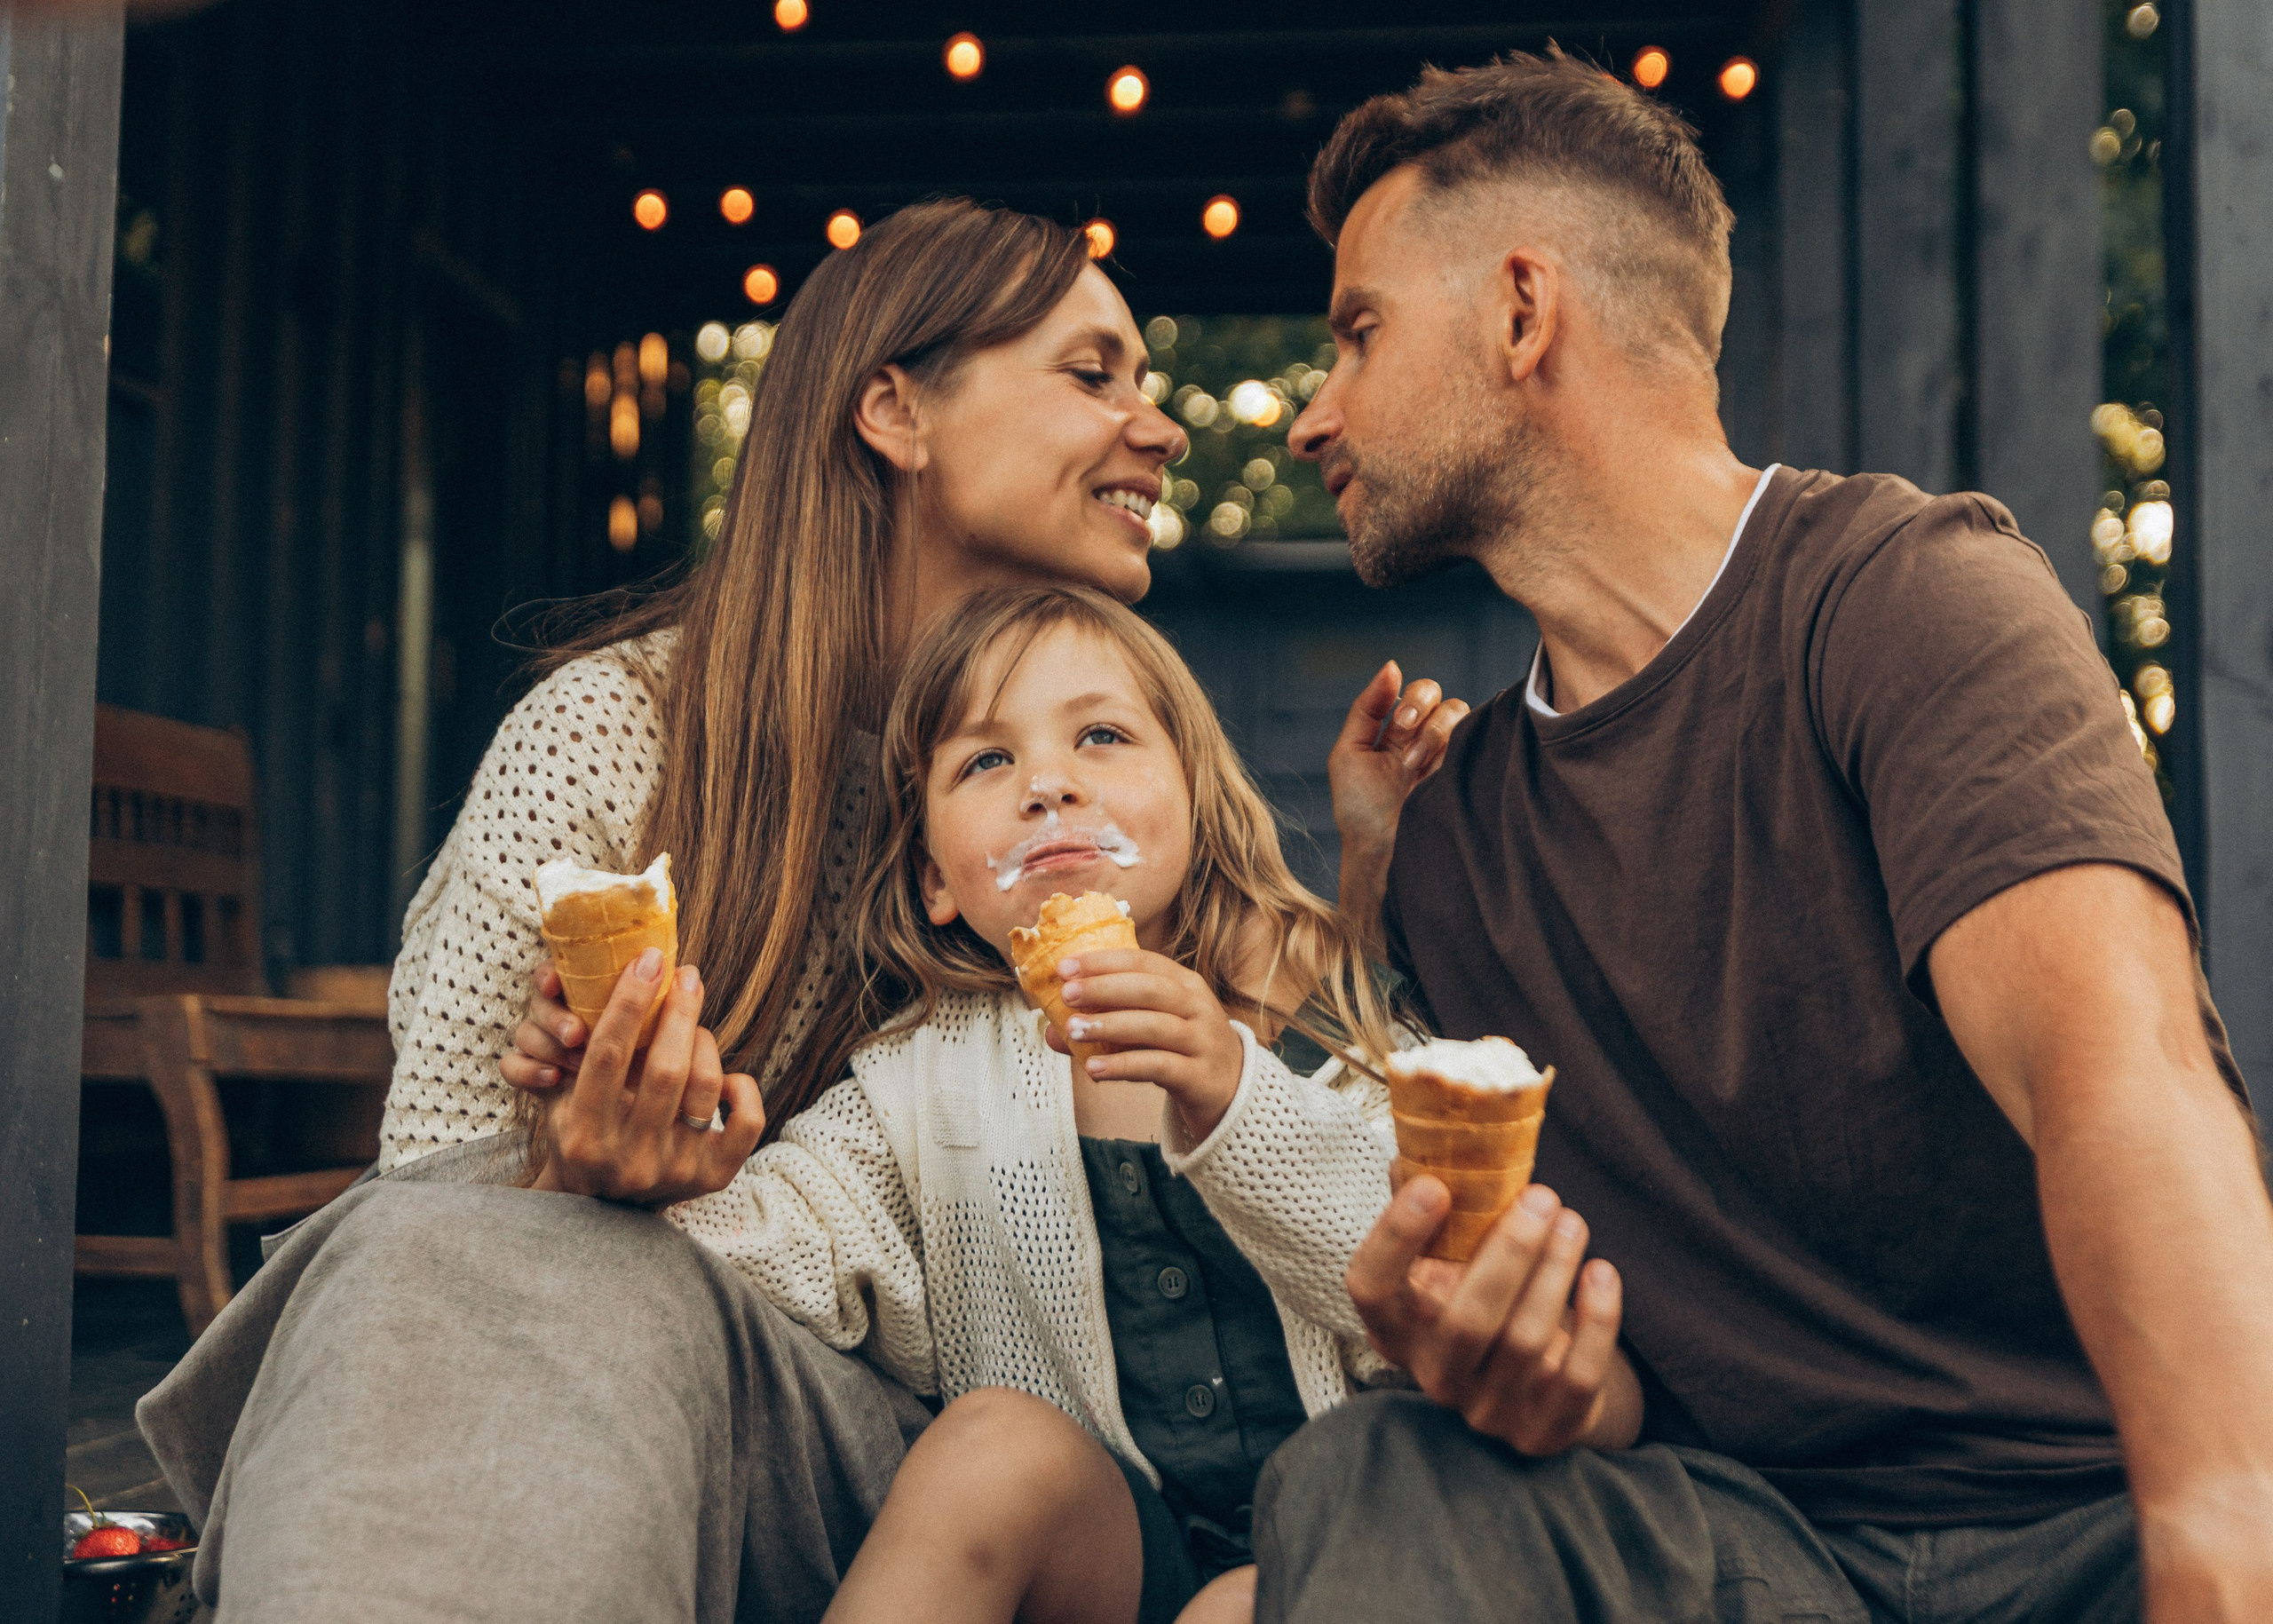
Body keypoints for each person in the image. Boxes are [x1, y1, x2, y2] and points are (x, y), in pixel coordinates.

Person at [137, 198, 1464, 1622]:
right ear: (893, 409)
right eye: (1093, 374)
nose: (1158, 423)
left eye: (1097, 744)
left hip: (1010, 1484)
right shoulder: (610, 737)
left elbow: (1351, 1093)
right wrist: (587, 1178)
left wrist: (1363, 886)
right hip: (726, 1411)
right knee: (442, 1252)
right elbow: (454, 1244)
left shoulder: (1121, 841)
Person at [1255, 50, 2273, 1624]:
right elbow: (1624, 1383)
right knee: (1371, 1467)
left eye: (1360, 330)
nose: (1317, 408)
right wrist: (1526, 1375)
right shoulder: (1454, 849)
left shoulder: (1907, 603)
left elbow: (2118, 1072)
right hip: (1758, 1549)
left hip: (2089, 1516)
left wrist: (2218, 1560)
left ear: (1525, 311)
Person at [527, 582, 1543, 1624]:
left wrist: (1229, 1096)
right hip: (1094, 1556)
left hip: (1352, 1552)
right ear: (935, 877)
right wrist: (624, 1143)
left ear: (1194, 797)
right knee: (989, 1445)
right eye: (985, 761)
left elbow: (1418, 1308)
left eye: (1101, 735)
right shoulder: (916, 1084)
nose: (1049, 784)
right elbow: (761, 1259)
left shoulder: (1337, 1036)